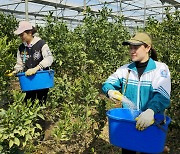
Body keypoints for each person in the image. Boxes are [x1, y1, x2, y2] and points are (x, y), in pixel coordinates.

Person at [102, 32, 171, 154]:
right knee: (128, 150)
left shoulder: (160, 69)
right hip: (129, 123)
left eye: (136, 47)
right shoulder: (125, 69)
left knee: (148, 150)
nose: (132, 51)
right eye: (131, 47)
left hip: (151, 122)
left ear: (148, 48)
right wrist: (110, 91)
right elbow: (108, 84)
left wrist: (151, 111)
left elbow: (162, 95)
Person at [8, 20, 53, 105]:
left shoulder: (41, 44)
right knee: (28, 103)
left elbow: (49, 58)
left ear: (30, 33)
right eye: (20, 35)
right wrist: (15, 71)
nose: (21, 37)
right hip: (28, 81)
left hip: (41, 79)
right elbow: (20, 64)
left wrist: (37, 68)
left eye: (22, 34)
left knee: (41, 102)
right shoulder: (21, 48)